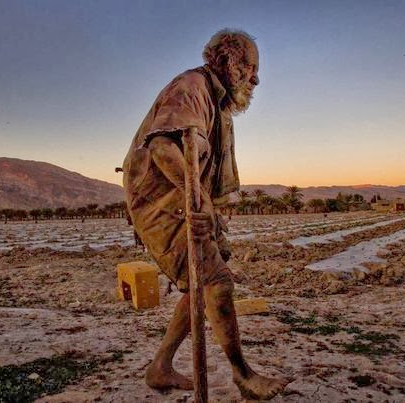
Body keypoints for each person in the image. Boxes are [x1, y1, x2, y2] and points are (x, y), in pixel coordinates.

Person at [122, 29, 289, 400]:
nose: (255, 77)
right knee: (216, 281)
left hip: (183, 199)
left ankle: (160, 367)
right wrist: (198, 201)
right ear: (229, 60)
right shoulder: (192, 87)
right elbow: (164, 148)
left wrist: (203, 204)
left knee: (203, 280)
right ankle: (242, 374)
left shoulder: (216, 102)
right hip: (162, 203)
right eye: (250, 66)